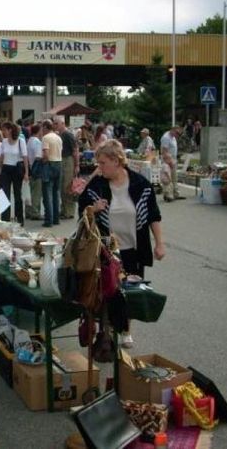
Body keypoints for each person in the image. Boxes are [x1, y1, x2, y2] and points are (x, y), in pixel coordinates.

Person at [78, 139, 165, 348]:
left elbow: (153, 215)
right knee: (105, 292)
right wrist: (93, 209)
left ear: (117, 161)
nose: (99, 167)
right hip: (106, 250)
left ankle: (126, 329)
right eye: (98, 163)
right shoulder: (96, 185)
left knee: (129, 292)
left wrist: (160, 243)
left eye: (103, 163)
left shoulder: (140, 184)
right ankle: (105, 329)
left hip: (134, 249)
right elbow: (82, 212)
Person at [0, 121, 29, 225]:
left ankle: (19, 219)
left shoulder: (20, 141)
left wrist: (26, 173)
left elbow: (25, 157)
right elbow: (1, 157)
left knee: (17, 195)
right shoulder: (4, 142)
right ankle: (5, 219)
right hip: (6, 169)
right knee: (5, 194)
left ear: (10, 130)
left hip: (17, 169)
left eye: (4, 130)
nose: (3, 132)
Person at [54, 115, 80, 220]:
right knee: (62, 187)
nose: (55, 126)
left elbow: (75, 150)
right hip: (62, 160)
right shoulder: (59, 135)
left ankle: (69, 212)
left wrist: (77, 165)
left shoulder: (68, 134)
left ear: (63, 124)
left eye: (57, 123)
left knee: (68, 186)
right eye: (54, 123)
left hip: (68, 160)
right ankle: (64, 209)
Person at [40, 119, 63, 227]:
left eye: (42, 128)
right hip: (58, 164)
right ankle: (56, 218)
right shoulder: (58, 137)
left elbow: (46, 155)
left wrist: (42, 161)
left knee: (47, 193)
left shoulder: (45, 138)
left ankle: (48, 220)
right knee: (55, 192)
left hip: (49, 165)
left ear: (45, 127)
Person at [160, 126, 185, 202]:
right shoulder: (166, 138)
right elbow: (165, 151)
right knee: (167, 178)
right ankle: (167, 195)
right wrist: (170, 161)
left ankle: (175, 194)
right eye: (177, 133)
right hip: (167, 160)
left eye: (179, 134)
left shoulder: (173, 137)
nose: (178, 135)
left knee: (174, 177)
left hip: (173, 159)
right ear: (173, 130)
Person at [25, 123, 43, 220]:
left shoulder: (29, 141)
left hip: (30, 167)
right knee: (36, 192)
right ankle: (35, 212)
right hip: (36, 168)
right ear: (38, 131)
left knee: (30, 191)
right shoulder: (37, 142)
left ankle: (28, 211)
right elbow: (38, 156)